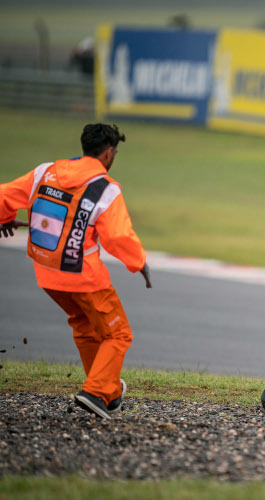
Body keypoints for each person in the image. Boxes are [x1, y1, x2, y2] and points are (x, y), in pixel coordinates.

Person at [0, 123, 151, 419]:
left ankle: (105, 392)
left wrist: (5, 218)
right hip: (83, 277)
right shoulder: (105, 190)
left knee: (84, 325)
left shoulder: (45, 172)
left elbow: (4, 194)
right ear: (108, 153)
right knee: (118, 334)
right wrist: (139, 262)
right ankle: (95, 392)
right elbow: (118, 237)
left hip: (46, 272)